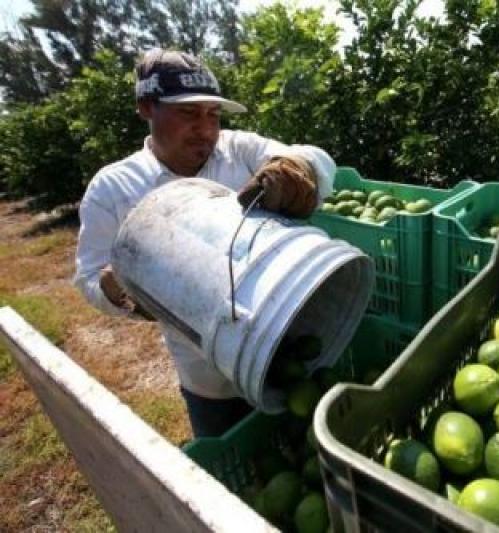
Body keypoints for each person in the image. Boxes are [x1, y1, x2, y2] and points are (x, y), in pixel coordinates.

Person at [73, 49, 336, 438]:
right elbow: (88, 278)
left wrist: (297, 170)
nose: (206, 130)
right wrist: (121, 288)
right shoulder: (114, 188)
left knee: (299, 445)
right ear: (147, 107)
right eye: (188, 114)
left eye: (213, 115)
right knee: (230, 477)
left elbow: (316, 159)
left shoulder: (238, 151)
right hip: (207, 376)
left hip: (284, 344)